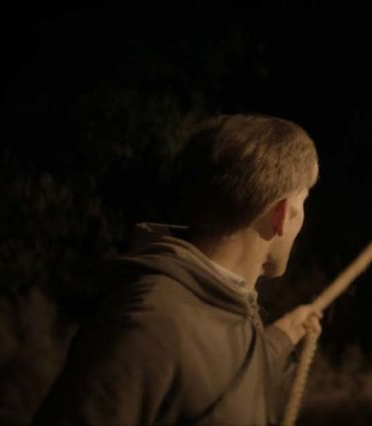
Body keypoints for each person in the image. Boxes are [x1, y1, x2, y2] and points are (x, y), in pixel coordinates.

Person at [32, 114, 322, 425]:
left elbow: (210, 364)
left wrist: (284, 336)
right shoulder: (148, 325)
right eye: (303, 201)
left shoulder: (220, 302)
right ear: (281, 214)